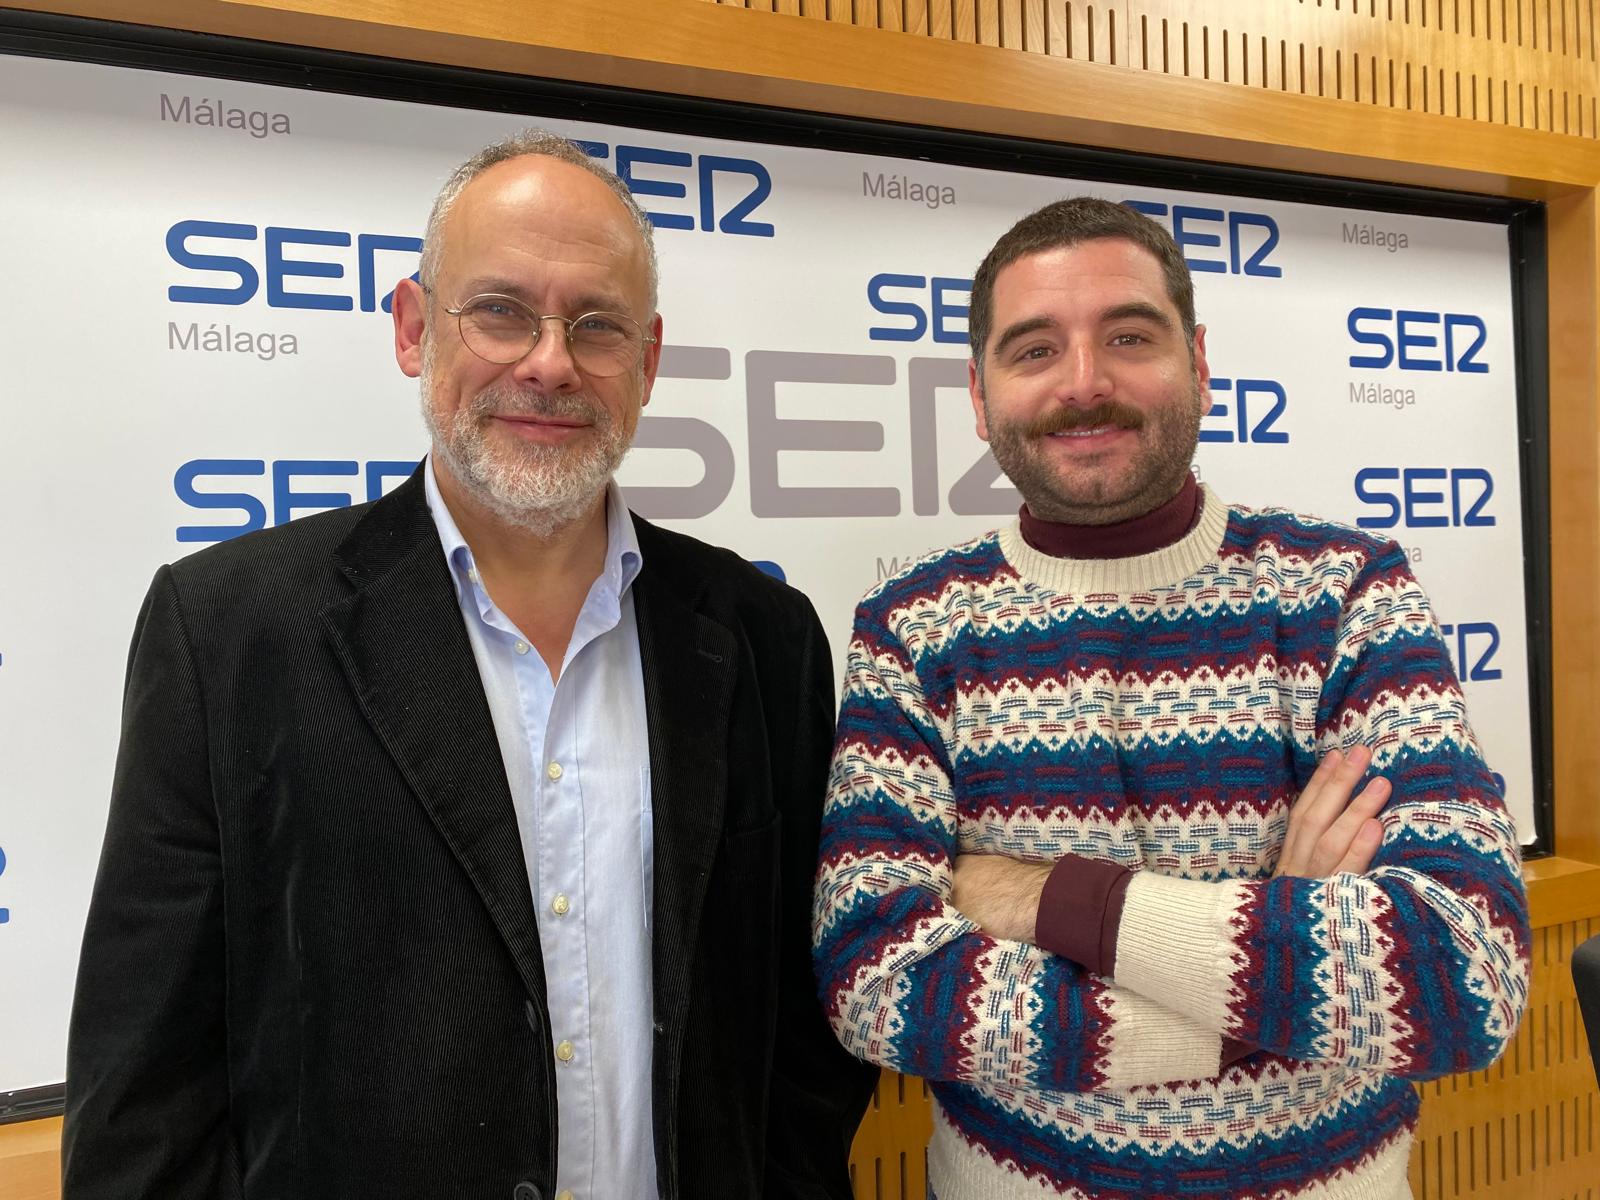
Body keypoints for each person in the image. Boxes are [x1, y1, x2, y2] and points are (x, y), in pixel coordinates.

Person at [64, 130, 874, 1200]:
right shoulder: (227, 631)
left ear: (646, 362)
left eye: (596, 324)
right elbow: (143, 1100)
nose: (549, 363)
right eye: (500, 311)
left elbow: (803, 1032)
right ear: (413, 329)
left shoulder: (765, 636)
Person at [812, 197, 1530, 1200]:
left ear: (1197, 363)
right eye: (1034, 350)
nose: (1083, 382)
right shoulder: (915, 626)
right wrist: (1275, 953)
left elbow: (1461, 975)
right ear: (979, 396)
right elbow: (876, 981)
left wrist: (1042, 897)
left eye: (1128, 336)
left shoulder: (1342, 592)